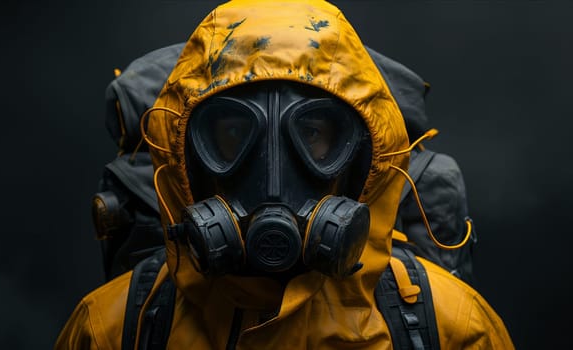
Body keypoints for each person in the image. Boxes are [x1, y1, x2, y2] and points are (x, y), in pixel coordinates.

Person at [55, 0, 514, 348]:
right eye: (234, 133)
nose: (272, 175)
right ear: (184, 156)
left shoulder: (454, 326)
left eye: (311, 132)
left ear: (366, 154)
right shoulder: (111, 329)